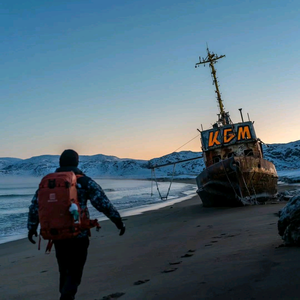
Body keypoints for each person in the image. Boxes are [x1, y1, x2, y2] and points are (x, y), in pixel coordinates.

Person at [27, 149, 125, 300]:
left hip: (56, 234)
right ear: (77, 162)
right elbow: (103, 203)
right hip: (79, 233)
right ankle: (66, 297)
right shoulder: (84, 181)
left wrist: (32, 227)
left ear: (60, 162)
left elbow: (36, 206)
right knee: (75, 271)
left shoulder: (49, 182)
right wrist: (118, 221)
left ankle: (65, 296)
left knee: (64, 270)